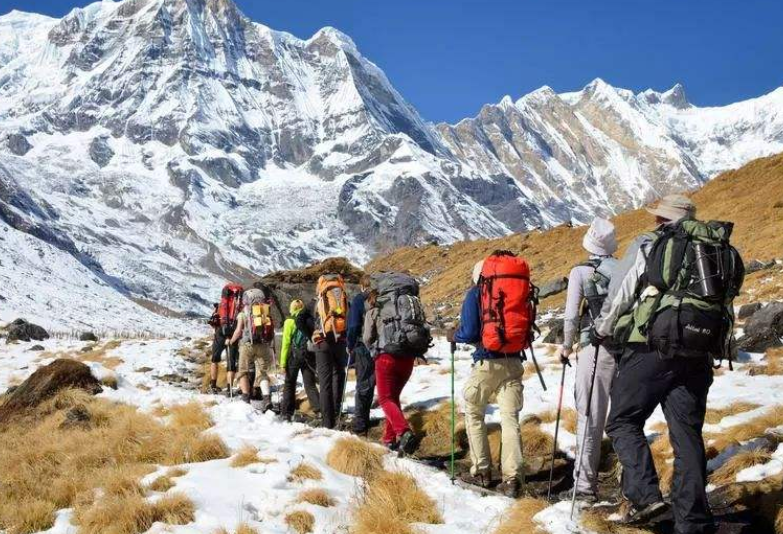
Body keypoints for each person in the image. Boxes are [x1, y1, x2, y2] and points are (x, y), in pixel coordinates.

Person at [592, 194, 743, 532]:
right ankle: (693, 521)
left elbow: (621, 292)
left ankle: (646, 497)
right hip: (699, 353)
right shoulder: (714, 250)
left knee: (622, 420)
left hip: (652, 349)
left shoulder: (651, 243)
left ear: (662, 220)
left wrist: (602, 331)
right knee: (687, 434)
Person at [450, 252, 530, 499]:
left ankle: (481, 471)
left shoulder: (477, 293)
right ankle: (512, 478)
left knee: (474, 413)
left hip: (486, 363)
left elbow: (469, 330)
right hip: (514, 361)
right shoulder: (517, 289)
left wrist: (454, 336)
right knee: (510, 419)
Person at [556, 218, 619, 503]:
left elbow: (571, 316)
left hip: (595, 349)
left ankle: (584, 487)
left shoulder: (581, 272)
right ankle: (631, 483)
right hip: (629, 351)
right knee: (625, 419)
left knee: (590, 416)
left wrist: (566, 346)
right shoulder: (625, 269)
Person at [363, 272, 430, 455]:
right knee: (393, 398)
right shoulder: (407, 304)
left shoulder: (375, 308)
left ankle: (404, 432)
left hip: (386, 358)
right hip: (408, 358)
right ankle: (389, 439)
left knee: (385, 399)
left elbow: (368, 337)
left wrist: (372, 349)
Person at [312, 274, 350, 429]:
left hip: (322, 343)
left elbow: (300, 320)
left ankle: (327, 423)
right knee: (339, 375)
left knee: (325, 382)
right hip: (340, 341)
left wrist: (312, 334)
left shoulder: (316, 302)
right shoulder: (344, 299)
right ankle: (337, 414)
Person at [228, 288, 275, 409]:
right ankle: (266, 399)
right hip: (263, 345)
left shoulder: (243, 314)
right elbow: (271, 331)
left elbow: (238, 331)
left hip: (246, 345)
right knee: (262, 373)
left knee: (243, 371)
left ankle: (245, 398)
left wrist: (231, 341)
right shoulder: (265, 311)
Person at [280, 299, 321, 422]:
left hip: (294, 357)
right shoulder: (309, 319)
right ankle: (319, 410)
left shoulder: (289, 321)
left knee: (289, 384)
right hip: (308, 356)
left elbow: (286, 344)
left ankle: (287, 413)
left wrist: (282, 364)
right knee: (310, 384)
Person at [346, 274, 375, 435]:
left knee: (363, 383)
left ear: (362, 286)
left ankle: (359, 424)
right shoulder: (381, 299)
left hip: (362, 346)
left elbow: (353, 326)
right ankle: (365, 418)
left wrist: (350, 345)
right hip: (381, 346)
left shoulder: (359, 300)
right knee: (371, 383)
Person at [211, 284, 243, 395]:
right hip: (234, 333)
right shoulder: (240, 306)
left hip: (220, 332)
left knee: (214, 359)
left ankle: (213, 385)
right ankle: (229, 389)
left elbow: (214, 321)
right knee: (231, 362)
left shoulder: (221, 306)